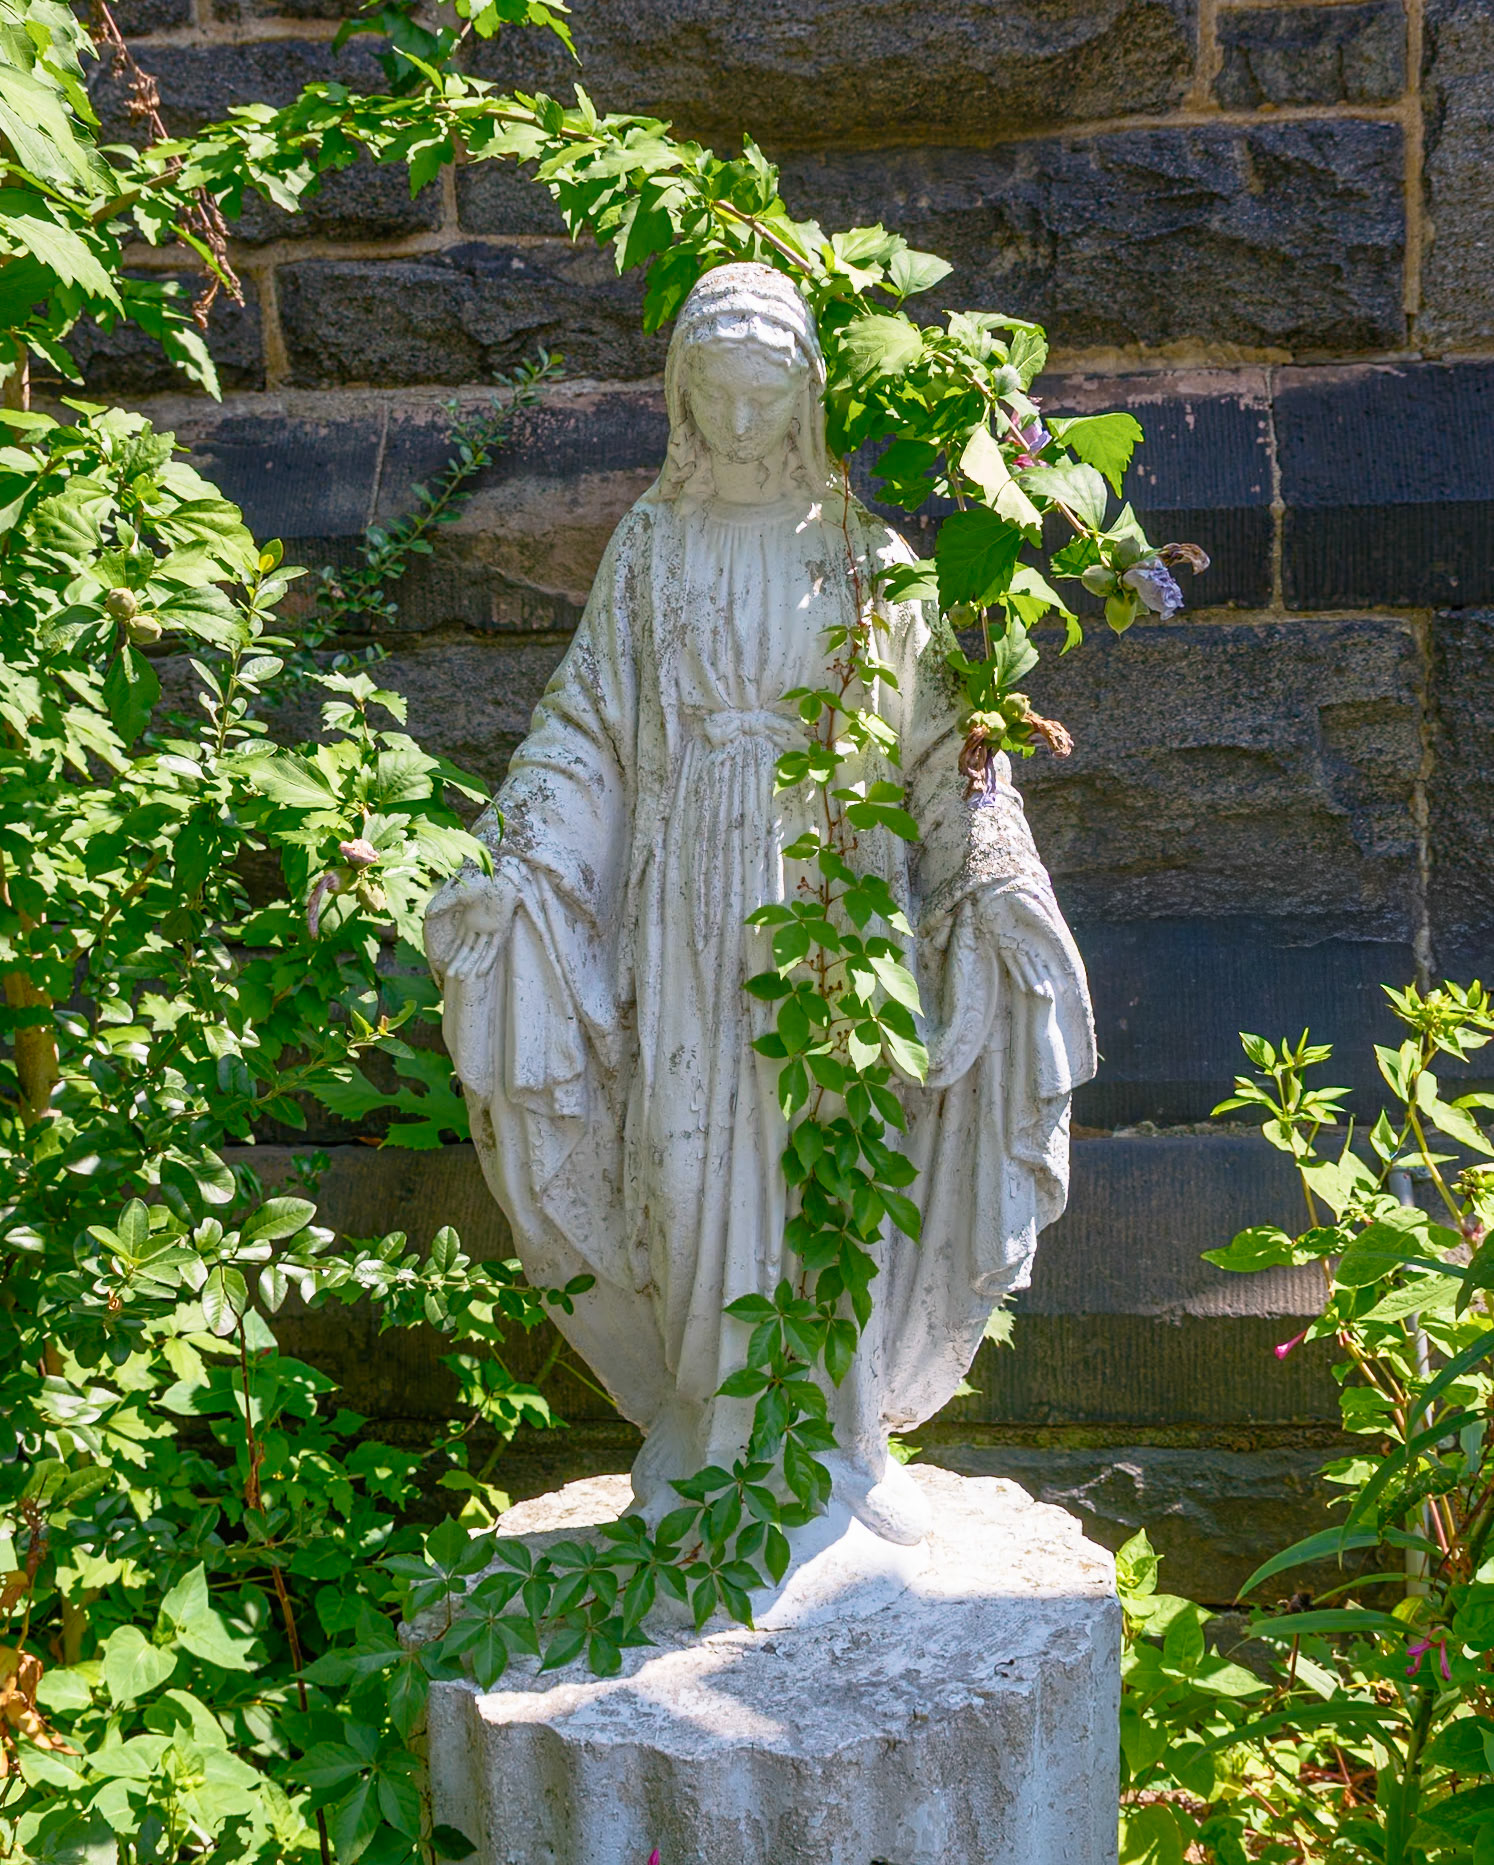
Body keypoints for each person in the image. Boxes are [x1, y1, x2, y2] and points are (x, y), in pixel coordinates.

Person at [424, 262, 1094, 1555]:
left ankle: (840, 1438)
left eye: (760, 396)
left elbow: (944, 741)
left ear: (802, 398)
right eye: (713, 397)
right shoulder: (650, 550)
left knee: (836, 1159)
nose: (737, 423)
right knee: (683, 1155)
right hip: (684, 909)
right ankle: (705, 1426)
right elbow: (586, 734)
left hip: (834, 902)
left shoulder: (863, 558)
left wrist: (995, 866)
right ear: (683, 399)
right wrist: (516, 855)